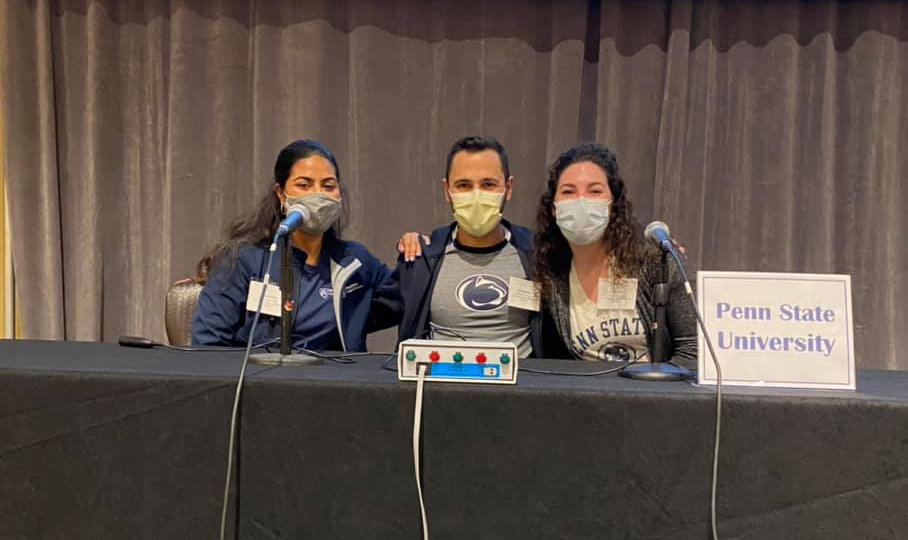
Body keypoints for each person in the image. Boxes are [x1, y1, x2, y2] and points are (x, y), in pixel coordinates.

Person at [191, 139, 400, 351]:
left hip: (334, 379)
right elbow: (208, 344)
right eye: (304, 185)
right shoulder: (242, 258)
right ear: (281, 194)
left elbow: (404, 300)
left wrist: (420, 250)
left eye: (328, 186)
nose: (318, 195)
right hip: (259, 378)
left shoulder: (354, 261)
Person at [395, 136, 567, 359]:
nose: (476, 195)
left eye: (488, 184)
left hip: (522, 389)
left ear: (509, 187)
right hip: (438, 388)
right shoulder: (423, 259)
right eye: (464, 185)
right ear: (447, 190)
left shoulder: (539, 255)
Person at [532, 142, 696, 366]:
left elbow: (693, 350)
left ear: (613, 204)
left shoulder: (656, 262)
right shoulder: (552, 275)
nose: (582, 200)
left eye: (595, 191)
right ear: (554, 208)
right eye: (568, 191)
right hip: (587, 398)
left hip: (655, 395)